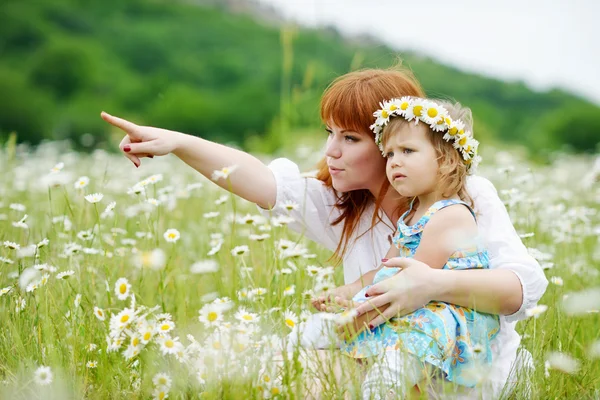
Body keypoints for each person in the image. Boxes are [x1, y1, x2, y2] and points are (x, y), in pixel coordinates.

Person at [100, 65, 548, 398]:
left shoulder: (467, 198)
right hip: (383, 370)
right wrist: (178, 142)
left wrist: (433, 284)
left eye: (350, 138)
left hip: (472, 381)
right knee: (276, 365)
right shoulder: (340, 204)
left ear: (395, 142)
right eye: (329, 133)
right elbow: (256, 178)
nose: (331, 151)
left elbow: (519, 288)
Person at [328, 96, 499, 399]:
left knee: (387, 375)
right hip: (415, 311)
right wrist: (351, 289)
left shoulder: (450, 215)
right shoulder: (412, 215)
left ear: (446, 160)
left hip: (437, 320)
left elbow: (409, 284)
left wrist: (358, 317)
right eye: (390, 152)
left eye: (407, 150)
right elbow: (388, 268)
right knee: (339, 342)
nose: (394, 161)